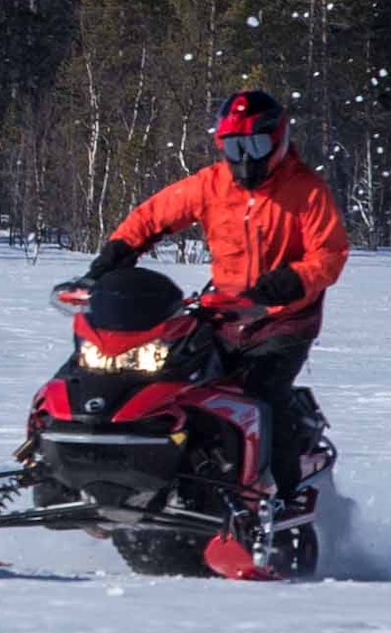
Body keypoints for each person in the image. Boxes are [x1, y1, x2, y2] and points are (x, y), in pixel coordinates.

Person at [93, 88, 350, 493]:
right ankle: (151, 474)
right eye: (234, 146)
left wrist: (285, 284)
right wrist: (115, 255)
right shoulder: (211, 185)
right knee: (166, 376)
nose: (245, 157)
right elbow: (154, 215)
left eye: (255, 143)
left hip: (283, 319)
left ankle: (281, 495)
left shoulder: (307, 191)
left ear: (279, 140)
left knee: (262, 393)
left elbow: (330, 254)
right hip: (223, 312)